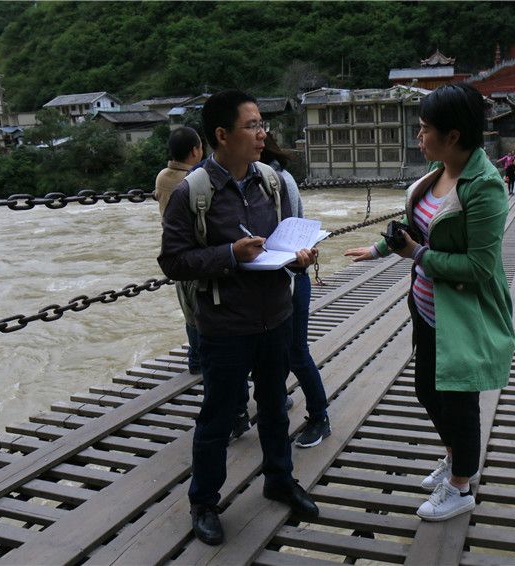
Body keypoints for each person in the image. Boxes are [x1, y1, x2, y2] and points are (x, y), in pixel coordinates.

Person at [344, 83, 515, 522]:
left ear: (452, 135)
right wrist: (379, 249)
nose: (418, 137)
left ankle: (460, 486)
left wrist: (416, 255)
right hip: (425, 308)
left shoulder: (485, 187)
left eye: (424, 129)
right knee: (426, 389)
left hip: (461, 314)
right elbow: (415, 228)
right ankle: (455, 457)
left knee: (459, 402)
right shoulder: (438, 172)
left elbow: (479, 267)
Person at [157, 89, 319, 546]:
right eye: (251, 126)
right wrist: (230, 253)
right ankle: (204, 502)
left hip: (275, 317)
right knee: (217, 416)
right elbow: (172, 261)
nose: (262, 133)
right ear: (222, 135)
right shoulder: (193, 192)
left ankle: (279, 479)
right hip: (225, 326)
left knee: (274, 407)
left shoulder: (269, 181)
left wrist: (298, 258)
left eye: (261, 124)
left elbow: (281, 244)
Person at [259, 132, 332, 448]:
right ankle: (279, 399)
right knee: (271, 350)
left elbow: (289, 231)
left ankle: (320, 417)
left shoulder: (276, 180)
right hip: (274, 279)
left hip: (289, 276)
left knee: (296, 352)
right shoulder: (267, 177)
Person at [155, 126, 205, 374]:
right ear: (195, 151)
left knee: (188, 313)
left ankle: (194, 360)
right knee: (202, 312)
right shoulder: (194, 180)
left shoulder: (162, 177)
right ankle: (201, 360)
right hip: (196, 253)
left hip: (174, 251)